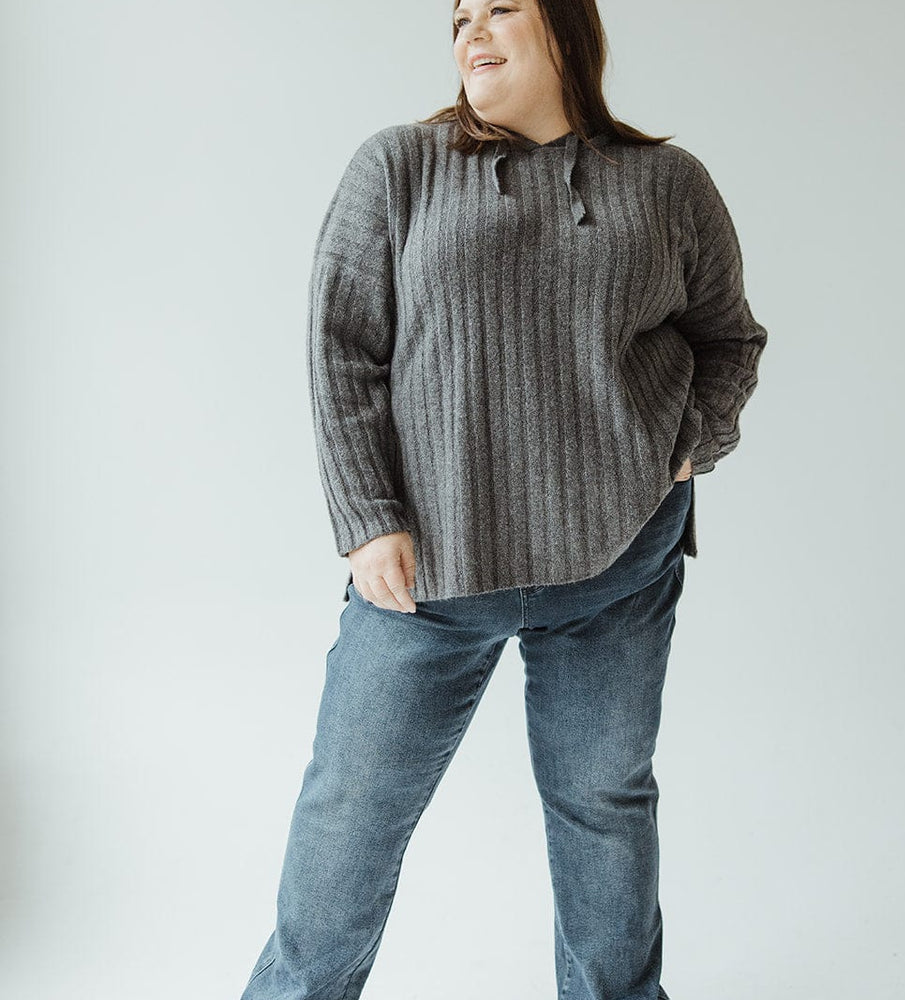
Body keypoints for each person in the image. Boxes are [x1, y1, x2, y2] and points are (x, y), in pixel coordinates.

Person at [240, 0, 768, 997]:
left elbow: (727, 341)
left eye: (500, 8)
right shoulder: (397, 166)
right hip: (428, 576)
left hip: (619, 564)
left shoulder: (667, 185)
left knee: (604, 802)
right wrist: (366, 518)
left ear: (566, 27)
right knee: (350, 815)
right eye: (458, 18)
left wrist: (689, 444)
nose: (471, 32)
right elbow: (342, 348)